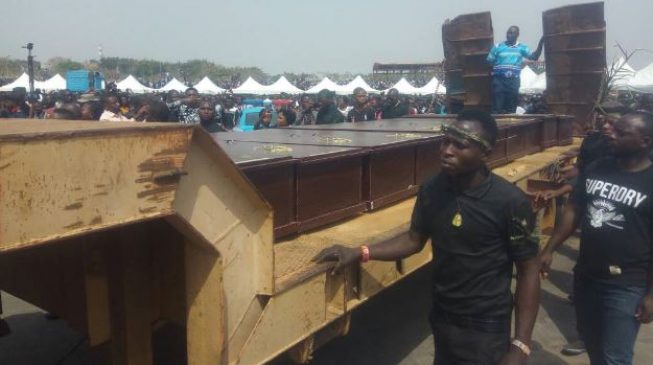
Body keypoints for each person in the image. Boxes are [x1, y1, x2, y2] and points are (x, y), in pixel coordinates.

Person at [314, 110, 541, 365]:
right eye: (445, 141)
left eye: (460, 145)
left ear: (485, 153)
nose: (447, 150)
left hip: (485, 325)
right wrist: (360, 252)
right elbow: (413, 240)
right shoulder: (433, 189)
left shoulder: (509, 202)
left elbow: (529, 270)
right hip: (443, 316)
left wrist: (521, 344)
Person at [540, 112, 653, 365]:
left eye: (621, 133)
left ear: (645, 141)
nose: (611, 134)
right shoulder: (597, 168)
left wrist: (651, 295)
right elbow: (573, 211)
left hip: (627, 283)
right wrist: (549, 249)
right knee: (593, 346)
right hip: (587, 276)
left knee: (616, 357)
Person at [487, 26, 544, 114]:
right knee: (497, 105)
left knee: (511, 107)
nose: (509, 35)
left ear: (517, 35)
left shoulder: (522, 48)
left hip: (513, 81)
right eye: (508, 32)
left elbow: (534, 57)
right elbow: (489, 61)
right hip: (499, 80)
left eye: (512, 33)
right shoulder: (497, 47)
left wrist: (541, 42)